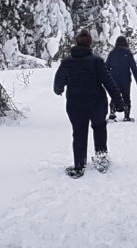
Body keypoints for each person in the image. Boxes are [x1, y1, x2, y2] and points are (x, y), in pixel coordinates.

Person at [53, 30, 124, 178]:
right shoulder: (96, 61)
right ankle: (101, 160)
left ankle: (79, 166)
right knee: (99, 128)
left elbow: (58, 83)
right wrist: (118, 101)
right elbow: (108, 81)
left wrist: (60, 89)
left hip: (75, 103)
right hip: (96, 102)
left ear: (76, 42)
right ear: (89, 44)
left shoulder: (67, 62)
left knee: (79, 132)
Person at [105, 35, 137, 122]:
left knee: (114, 96)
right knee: (126, 97)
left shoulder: (112, 53)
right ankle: (126, 116)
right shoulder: (128, 53)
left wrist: (106, 79)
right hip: (126, 80)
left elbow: (106, 67)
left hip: (114, 79)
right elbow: (134, 68)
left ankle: (112, 113)